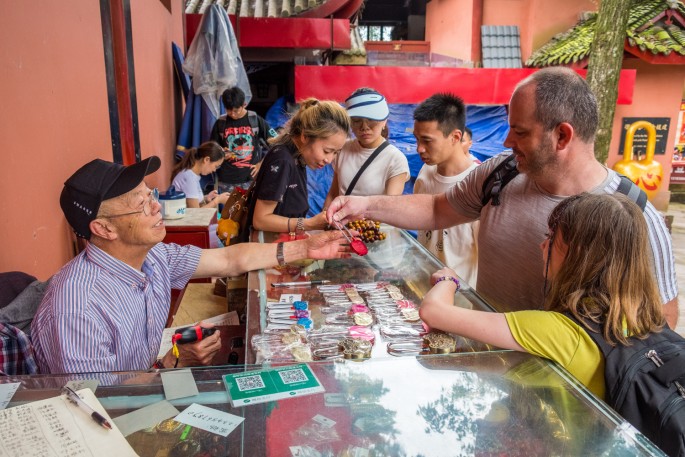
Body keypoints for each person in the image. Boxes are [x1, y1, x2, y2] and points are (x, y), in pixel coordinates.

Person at [326, 67, 679, 329]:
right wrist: (364, 205)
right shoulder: (502, 172)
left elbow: (662, 318)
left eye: (520, 131)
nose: (507, 141)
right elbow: (438, 208)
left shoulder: (630, 212)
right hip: (488, 357)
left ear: (562, 135)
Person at [31, 155, 350, 374]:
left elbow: (229, 258)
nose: (157, 207)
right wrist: (174, 360)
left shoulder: (153, 257)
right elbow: (98, 404)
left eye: (150, 194)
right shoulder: (77, 310)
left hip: (145, 383)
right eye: (141, 205)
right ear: (104, 229)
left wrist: (307, 246)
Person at [419, 192, 666, 400]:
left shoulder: (557, 331)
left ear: (578, 255)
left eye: (550, 238)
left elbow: (434, 312)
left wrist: (448, 279)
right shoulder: (645, 317)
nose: (542, 245)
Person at [247, 98, 350, 239]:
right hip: (270, 253)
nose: (329, 160)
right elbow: (260, 220)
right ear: (305, 137)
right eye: (327, 151)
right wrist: (309, 224)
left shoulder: (297, 157)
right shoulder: (282, 161)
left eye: (335, 153)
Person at [413, 93, 479, 286]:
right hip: (423, 284)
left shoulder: (477, 185)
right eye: (417, 139)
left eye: (427, 140)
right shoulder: (425, 173)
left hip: (461, 298)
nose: (419, 149)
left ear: (455, 137)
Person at [323, 88, 409, 209]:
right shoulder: (343, 148)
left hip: (375, 226)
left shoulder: (395, 159)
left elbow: (390, 208)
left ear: (384, 121)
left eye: (371, 120)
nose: (364, 127)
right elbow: (333, 194)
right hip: (341, 225)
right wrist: (324, 221)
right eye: (357, 121)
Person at [210, 87, 278, 193]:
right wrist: (222, 154)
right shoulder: (220, 123)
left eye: (236, 111)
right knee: (229, 210)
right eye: (228, 110)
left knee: (250, 209)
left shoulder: (255, 119)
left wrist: (262, 164)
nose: (232, 114)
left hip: (251, 179)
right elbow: (211, 149)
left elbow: (276, 143)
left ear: (244, 105)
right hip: (226, 181)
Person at [171, 141, 230, 209]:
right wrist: (217, 200)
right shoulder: (189, 177)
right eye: (216, 166)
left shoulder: (193, 175)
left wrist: (206, 198)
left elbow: (192, 202)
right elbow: (196, 213)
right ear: (206, 160)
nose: (214, 170)